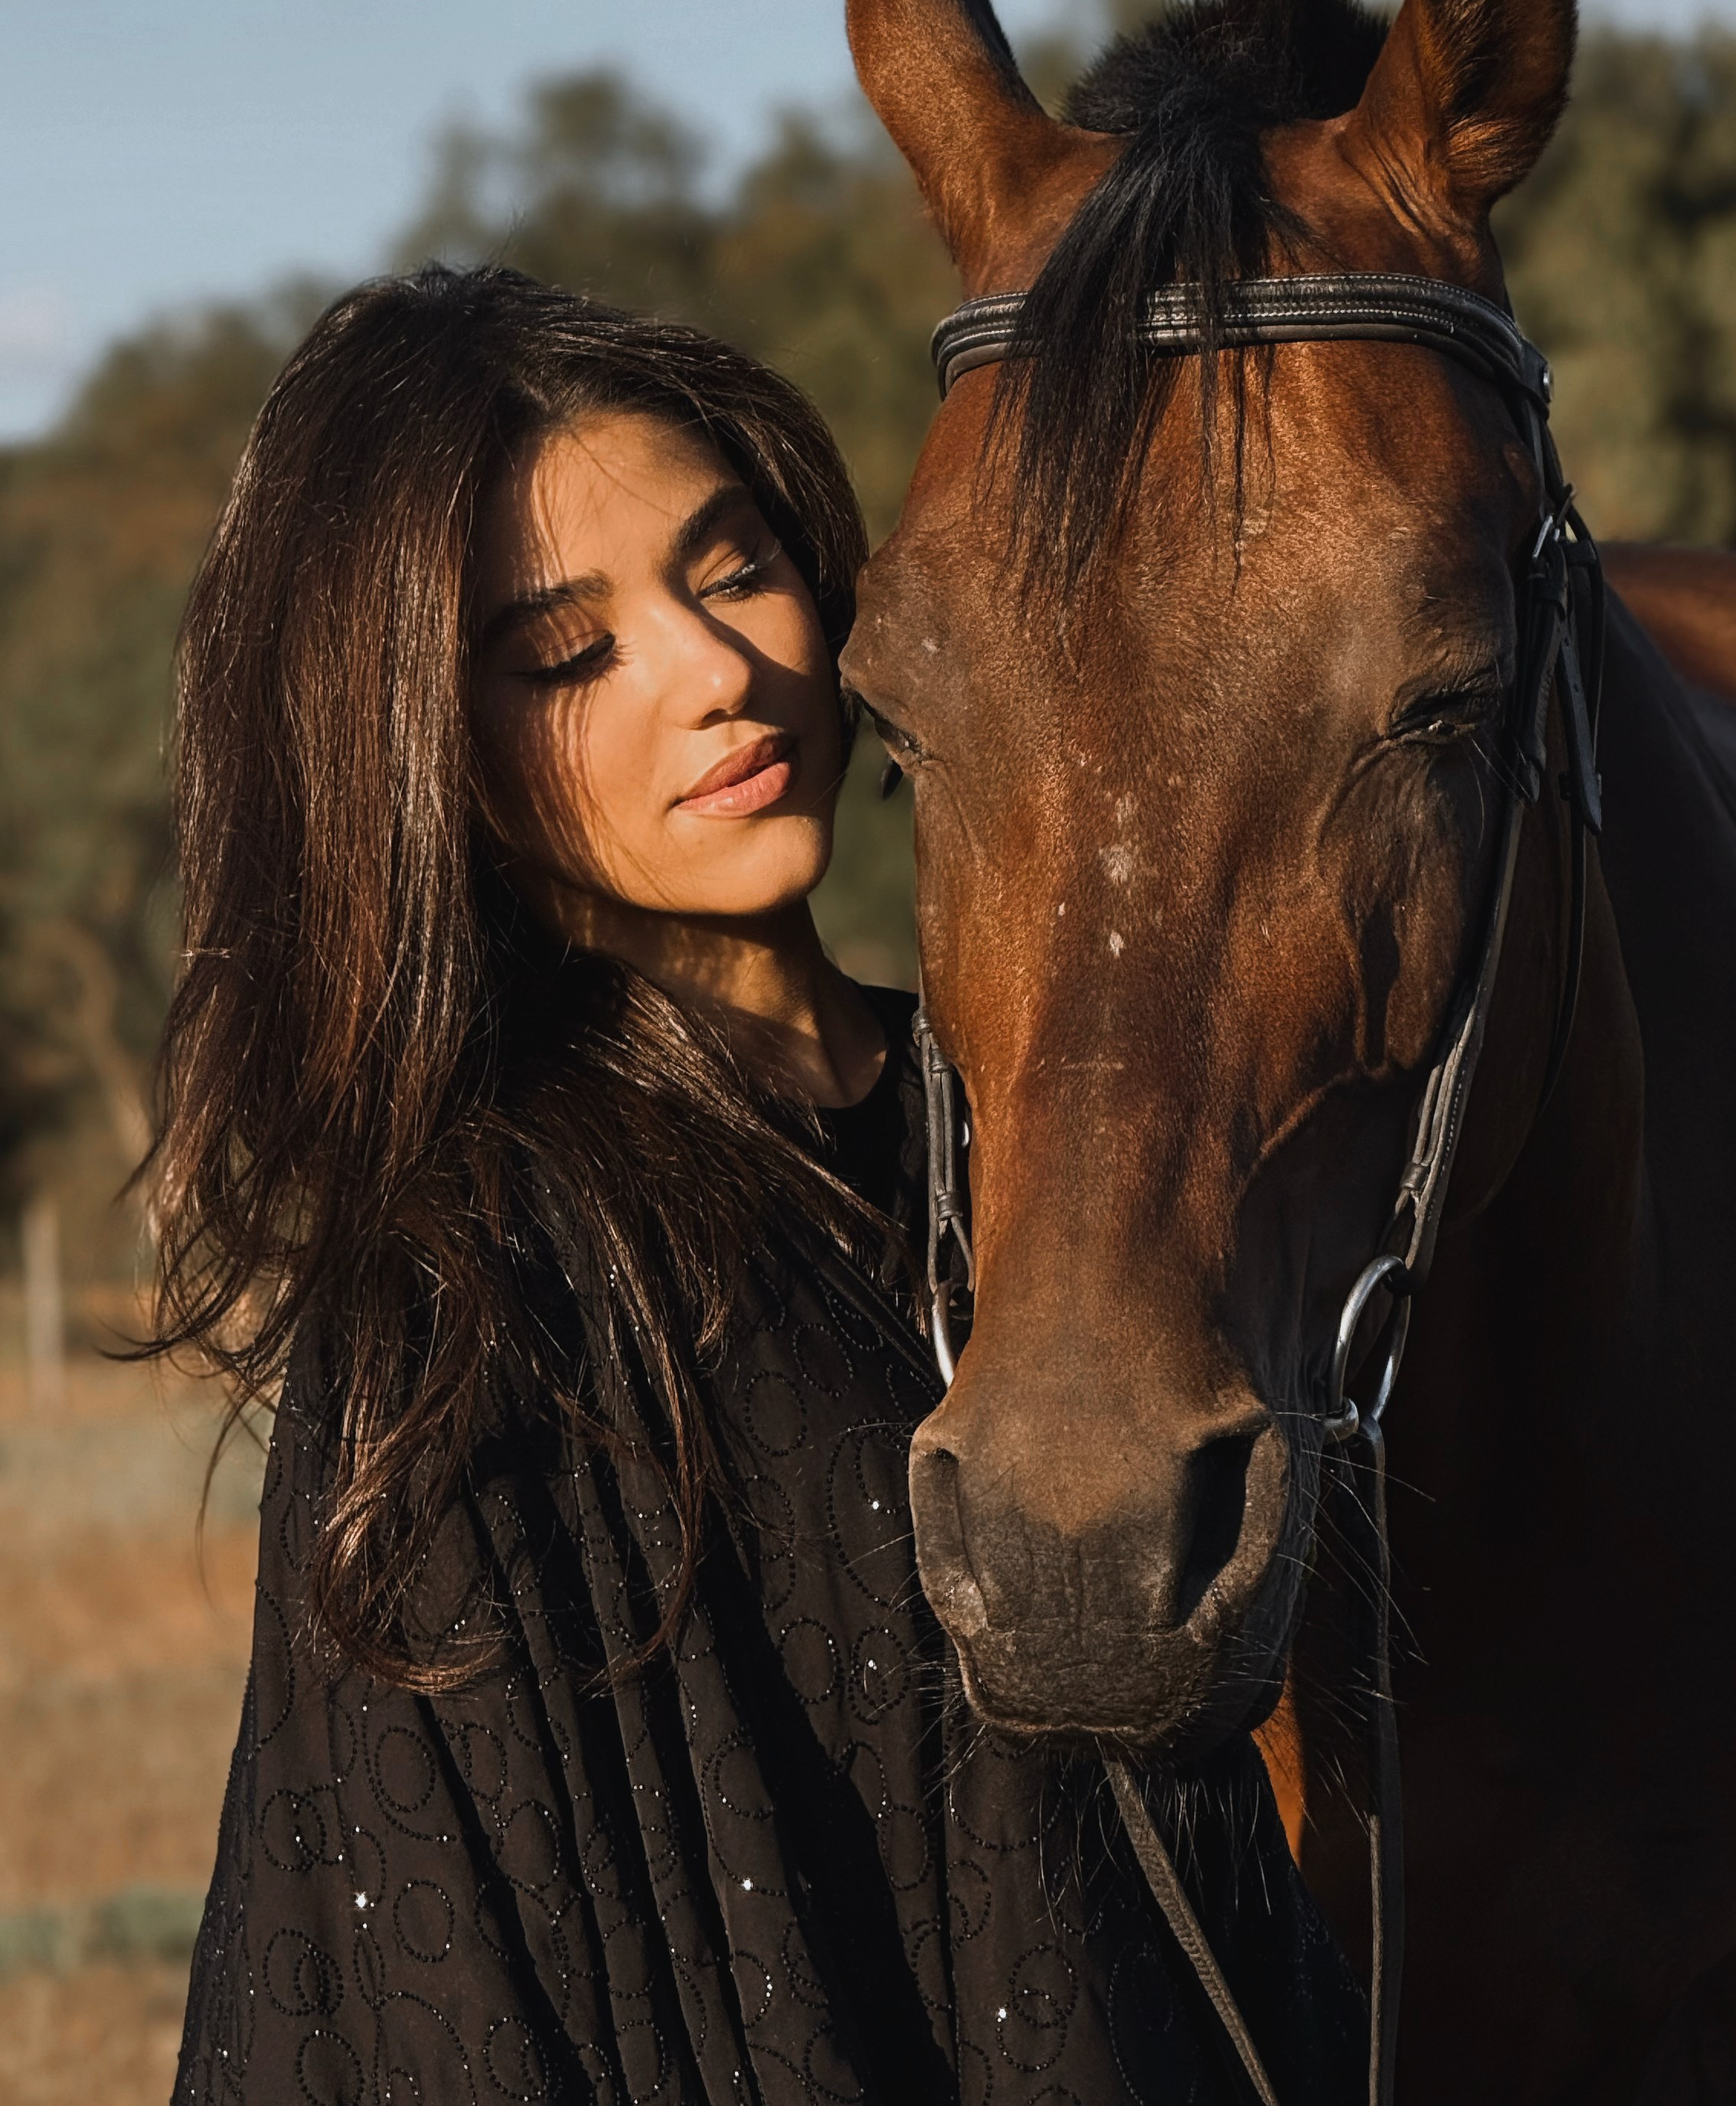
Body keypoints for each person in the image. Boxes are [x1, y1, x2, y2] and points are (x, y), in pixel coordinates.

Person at [155, 263, 1362, 2104]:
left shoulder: (1044, 1152)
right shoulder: (481, 1298)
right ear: (429, 755)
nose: (718, 676)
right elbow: (445, 1997)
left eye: (732, 571)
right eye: (570, 655)